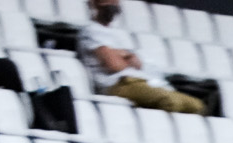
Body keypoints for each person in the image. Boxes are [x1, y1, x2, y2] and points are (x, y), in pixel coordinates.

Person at [78, 0, 207, 114]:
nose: (112, 3)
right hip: (119, 84)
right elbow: (115, 66)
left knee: (197, 106)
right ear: (95, 4)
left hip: (141, 81)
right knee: (170, 101)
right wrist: (126, 56)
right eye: (107, 1)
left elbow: (137, 63)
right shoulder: (91, 31)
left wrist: (122, 55)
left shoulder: (116, 34)